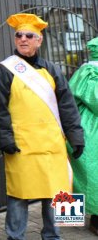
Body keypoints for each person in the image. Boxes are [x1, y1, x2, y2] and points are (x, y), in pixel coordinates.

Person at [0, 13, 84, 240]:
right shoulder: (4, 70)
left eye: (29, 35)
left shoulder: (51, 69)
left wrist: (76, 137)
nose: (23, 39)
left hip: (53, 144)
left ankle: (54, 236)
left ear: (39, 40)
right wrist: (5, 140)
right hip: (22, 146)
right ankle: (15, 237)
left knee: (58, 192)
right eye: (19, 35)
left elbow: (67, 106)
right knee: (19, 196)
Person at [68, 37, 98, 236]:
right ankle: (73, 218)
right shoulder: (89, 72)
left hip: (87, 130)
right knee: (86, 175)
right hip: (88, 132)